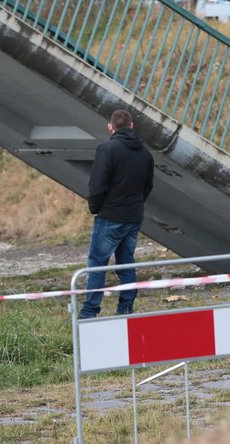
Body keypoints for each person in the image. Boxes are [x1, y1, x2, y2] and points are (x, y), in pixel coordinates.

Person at [78, 108, 154, 319]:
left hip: (110, 216)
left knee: (97, 264)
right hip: (133, 216)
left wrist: (96, 207)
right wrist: (136, 204)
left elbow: (97, 184)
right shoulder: (145, 153)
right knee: (126, 262)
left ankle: (89, 312)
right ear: (131, 126)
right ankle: (126, 308)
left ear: (110, 127)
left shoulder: (107, 149)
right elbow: (148, 185)